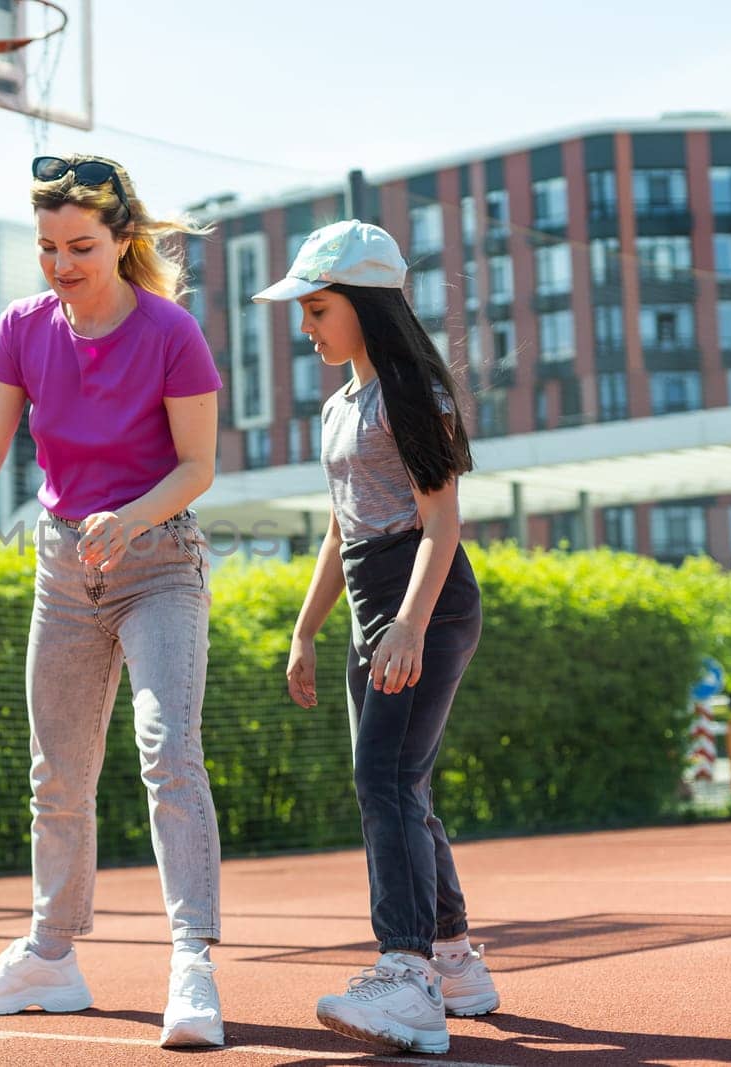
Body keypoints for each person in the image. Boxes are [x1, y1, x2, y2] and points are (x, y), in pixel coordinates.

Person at [0, 154, 226, 1048]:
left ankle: (191, 961)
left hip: (158, 561)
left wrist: (134, 514)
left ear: (122, 240)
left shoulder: (169, 332)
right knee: (56, 775)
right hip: (62, 567)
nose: (61, 264)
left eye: (80, 245)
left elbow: (199, 464)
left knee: (168, 752)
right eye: (47, 247)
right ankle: (51, 957)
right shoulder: (23, 326)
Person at [254, 220, 501, 1055]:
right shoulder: (337, 405)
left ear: (364, 304)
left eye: (318, 308)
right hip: (375, 609)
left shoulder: (412, 390)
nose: (306, 326)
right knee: (404, 781)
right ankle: (457, 961)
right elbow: (339, 530)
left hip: (424, 601)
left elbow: (441, 522)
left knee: (384, 779)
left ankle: (407, 973)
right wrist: (304, 631)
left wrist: (410, 624)